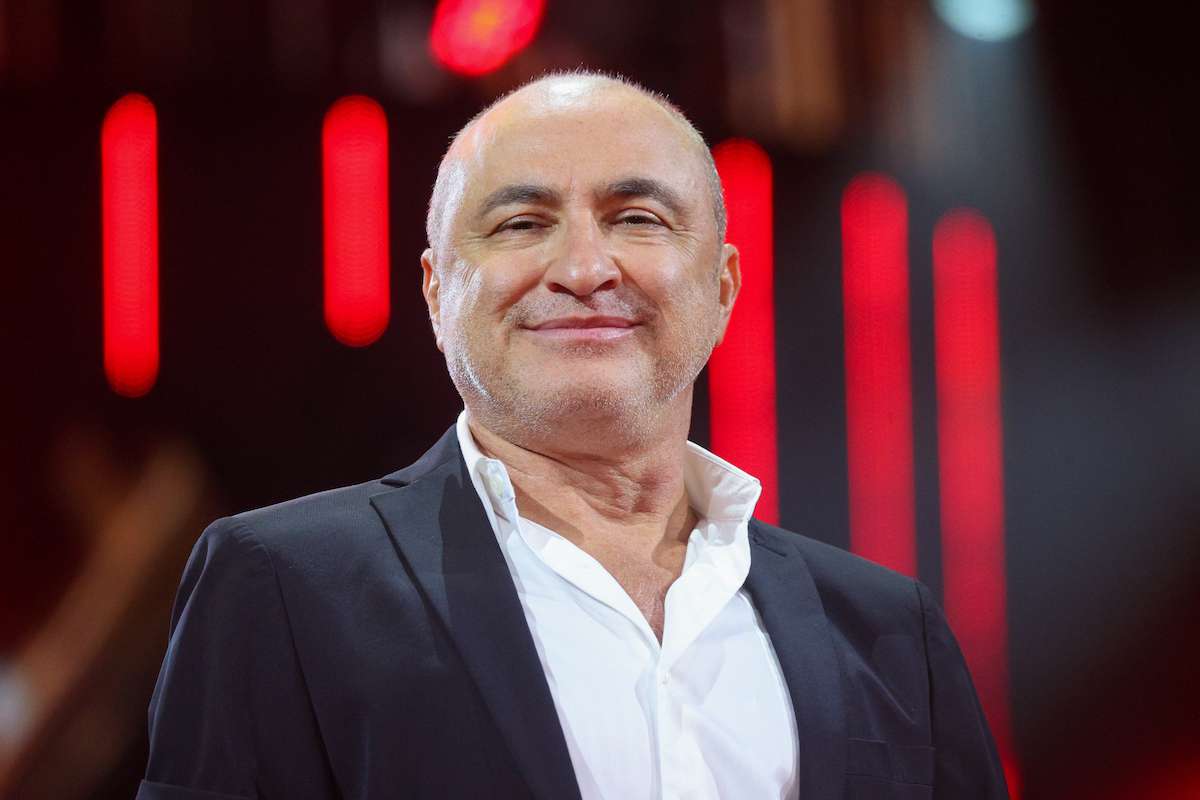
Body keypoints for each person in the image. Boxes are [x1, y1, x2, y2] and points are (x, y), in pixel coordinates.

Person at [137, 71, 1009, 800]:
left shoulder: (889, 631)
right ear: (438, 294)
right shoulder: (282, 587)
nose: (586, 269)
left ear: (722, 288)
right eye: (522, 224)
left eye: (638, 218)